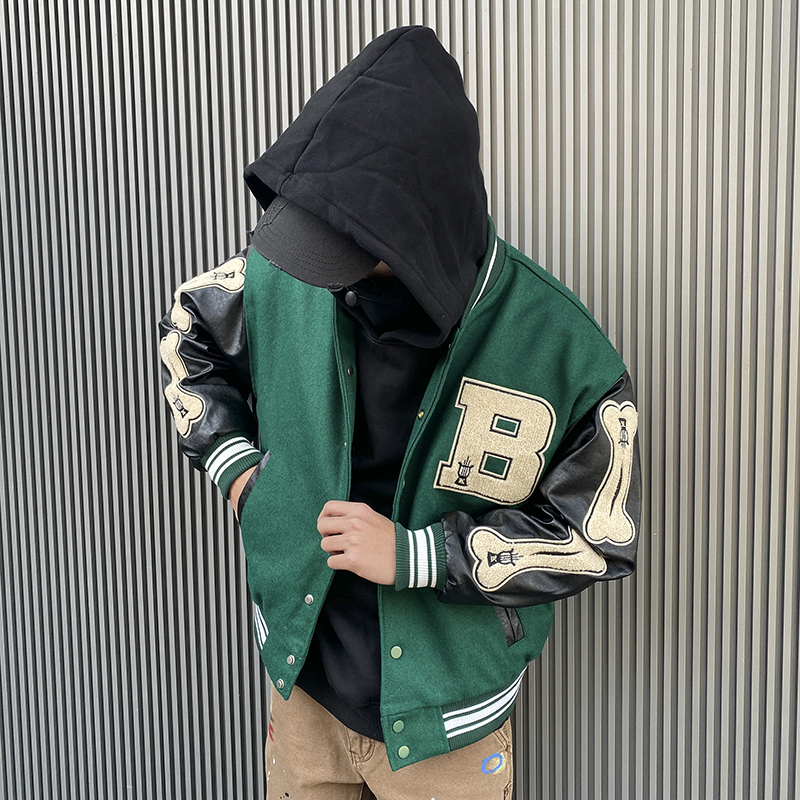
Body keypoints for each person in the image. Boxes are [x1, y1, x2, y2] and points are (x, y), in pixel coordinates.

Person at [159, 25, 641, 800]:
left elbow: (594, 536)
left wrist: (419, 556)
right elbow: (189, 333)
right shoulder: (289, 274)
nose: (322, 267)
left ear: (419, 225)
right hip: (303, 684)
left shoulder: (558, 348)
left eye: (346, 243)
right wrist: (242, 476)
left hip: (447, 726)